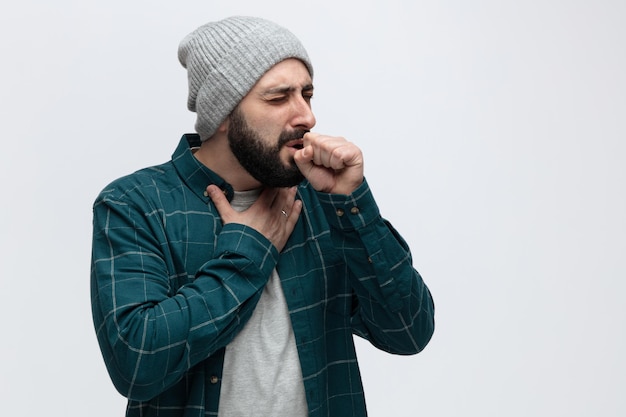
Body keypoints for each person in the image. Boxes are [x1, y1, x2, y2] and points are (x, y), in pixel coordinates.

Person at [91, 16, 435, 417]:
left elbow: (408, 331)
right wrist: (248, 251)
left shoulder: (323, 199)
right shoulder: (135, 203)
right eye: (278, 98)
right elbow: (136, 363)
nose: (306, 116)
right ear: (222, 113)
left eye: (307, 94)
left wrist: (354, 203)